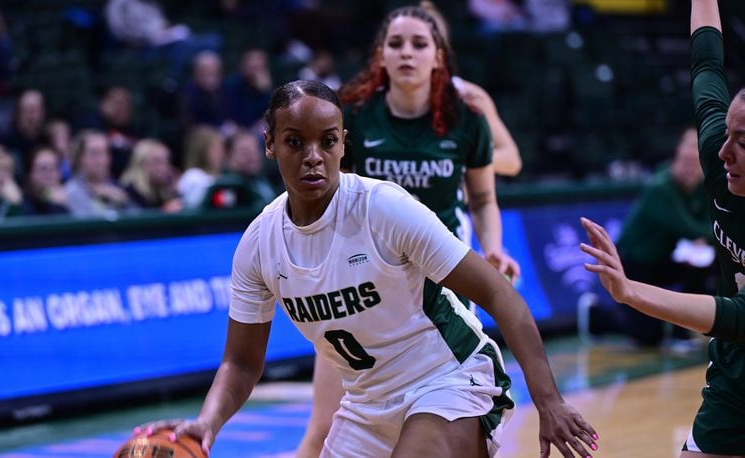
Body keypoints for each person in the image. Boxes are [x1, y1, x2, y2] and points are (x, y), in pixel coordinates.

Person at [137, 80, 597, 458]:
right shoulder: (259, 244)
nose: (313, 155)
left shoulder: (383, 208)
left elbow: (500, 293)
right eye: (295, 142)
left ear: (342, 145)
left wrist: (549, 401)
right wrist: (207, 423)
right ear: (271, 145)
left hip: (449, 378)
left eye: (328, 141)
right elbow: (240, 362)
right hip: (365, 404)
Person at [299, 4, 521, 455]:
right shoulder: (355, 115)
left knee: (430, 422)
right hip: (362, 277)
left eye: (419, 44)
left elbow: (482, 198)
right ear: (380, 54)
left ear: (439, 56)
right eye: (396, 44)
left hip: (443, 279)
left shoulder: (466, 116)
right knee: (324, 423)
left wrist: (493, 249)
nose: (407, 53)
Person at [580, 1, 745, 455]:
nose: (722, 152)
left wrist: (631, 291)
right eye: (726, 134)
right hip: (734, 376)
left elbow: (734, 317)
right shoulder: (718, 156)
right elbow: (707, 60)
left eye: (742, 142)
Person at [579, 127, 716, 348]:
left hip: (663, 260)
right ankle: (596, 316)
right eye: (685, 161)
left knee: (704, 266)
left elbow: (710, 223)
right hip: (634, 262)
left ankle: (682, 331)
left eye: (696, 163)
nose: (690, 168)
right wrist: (706, 235)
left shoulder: (700, 188)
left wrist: (706, 235)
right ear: (675, 159)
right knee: (647, 337)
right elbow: (691, 228)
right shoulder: (660, 188)